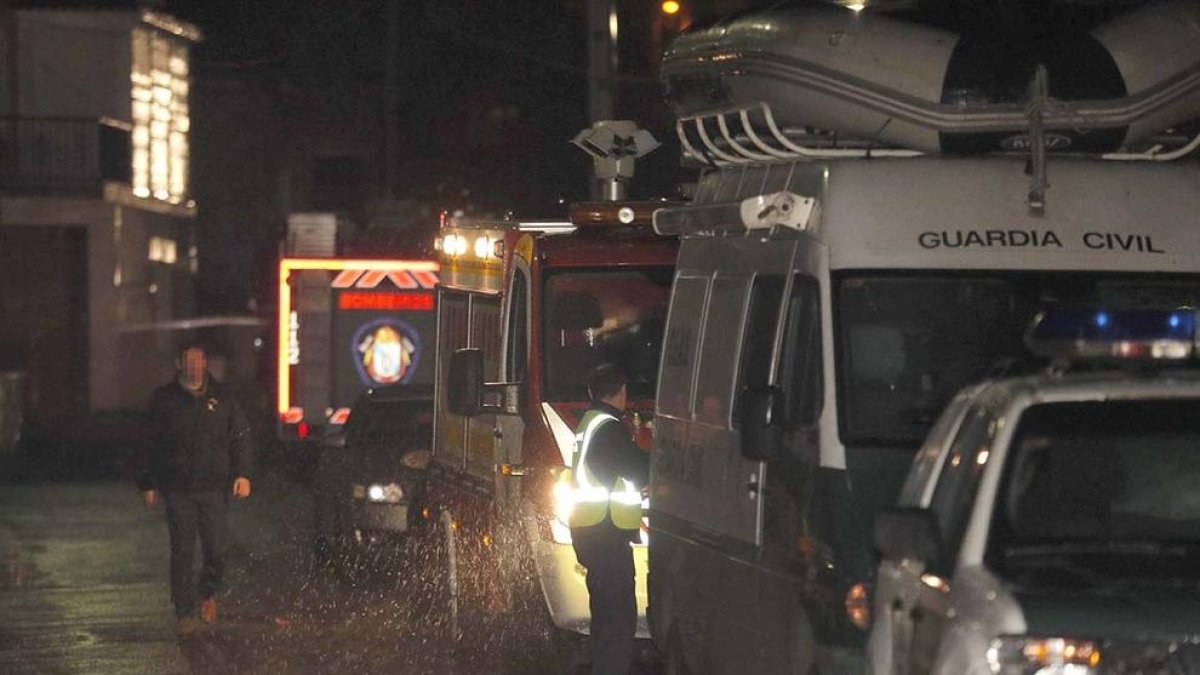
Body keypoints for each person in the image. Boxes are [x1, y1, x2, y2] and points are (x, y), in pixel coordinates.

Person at [137, 343, 254, 636]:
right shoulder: (164, 400)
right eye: (190, 360)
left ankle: (208, 594)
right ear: (179, 363)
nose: (196, 365)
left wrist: (242, 474)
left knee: (217, 548)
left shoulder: (222, 397)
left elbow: (240, 436)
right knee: (183, 551)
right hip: (178, 489)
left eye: (200, 359)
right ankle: (184, 611)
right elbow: (148, 442)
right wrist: (148, 482)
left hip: (214, 487)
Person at [568, 363, 649, 675]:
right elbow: (633, 468)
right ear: (622, 392)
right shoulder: (608, 428)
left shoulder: (589, 422)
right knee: (618, 621)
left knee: (605, 621)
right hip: (607, 536)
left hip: (592, 534)